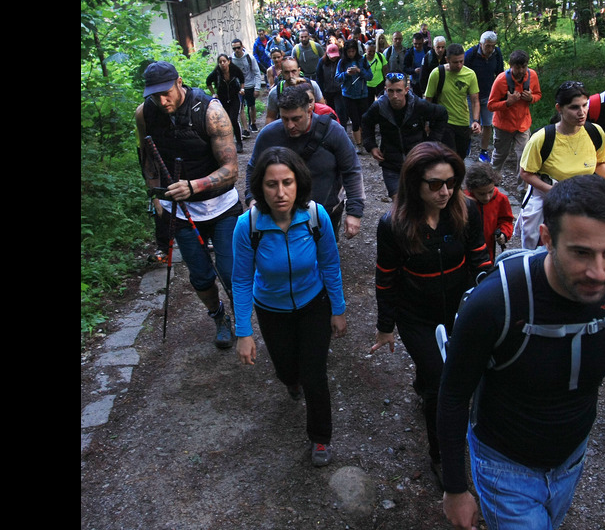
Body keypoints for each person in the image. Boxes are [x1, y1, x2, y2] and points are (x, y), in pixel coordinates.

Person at [438, 174, 605, 530]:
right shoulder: (497, 301)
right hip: (502, 463)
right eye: (581, 253)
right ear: (548, 239)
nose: (599, 272)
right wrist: (455, 489)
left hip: (571, 458)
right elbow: (454, 393)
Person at [371, 142, 493, 488]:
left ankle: (426, 382)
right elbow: (386, 276)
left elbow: (480, 257)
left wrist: (489, 296)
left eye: (451, 182)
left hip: (461, 311)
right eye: (435, 184)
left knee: (465, 375)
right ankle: (442, 456)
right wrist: (385, 327)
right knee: (440, 387)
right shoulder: (392, 224)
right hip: (417, 318)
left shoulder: (467, 209)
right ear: (414, 183)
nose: (445, 191)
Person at [232, 146, 347, 467]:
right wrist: (244, 332)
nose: (280, 192)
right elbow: (240, 279)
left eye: (287, 182)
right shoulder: (248, 225)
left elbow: (330, 263)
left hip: (314, 304)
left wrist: (337, 309)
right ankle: (290, 380)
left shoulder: (315, 216)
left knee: (315, 374)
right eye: (272, 184)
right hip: (272, 309)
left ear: (299, 183)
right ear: (260, 187)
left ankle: (321, 437)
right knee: (286, 370)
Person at [135, 61, 241, 349]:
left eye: (166, 93)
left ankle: (244, 320)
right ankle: (219, 317)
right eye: (154, 95)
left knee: (232, 272)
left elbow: (231, 169)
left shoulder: (210, 111)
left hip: (221, 207)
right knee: (200, 275)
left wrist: (193, 186)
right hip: (178, 211)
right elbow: (147, 159)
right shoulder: (145, 113)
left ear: (179, 82)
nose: (161, 100)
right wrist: (154, 194)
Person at [514, 81, 605, 250]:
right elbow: (526, 173)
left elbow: (600, 163)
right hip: (546, 196)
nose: (582, 112)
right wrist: (554, 192)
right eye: (574, 107)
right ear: (559, 108)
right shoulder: (542, 138)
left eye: (585, 105)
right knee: (535, 240)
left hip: (582, 197)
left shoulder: (595, 132)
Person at [247, 86, 365, 240]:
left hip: (326, 210)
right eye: (285, 119)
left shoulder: (333, 131)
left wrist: (354, 212)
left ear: (309, 111)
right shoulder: (269, 135)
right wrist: (252, 198)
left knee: (324, 256)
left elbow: (352, 170)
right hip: (280, 213)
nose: (290, 125)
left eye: (296, 119)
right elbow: (253, 169)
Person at [361, 72, 448, 199]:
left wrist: (432, 143)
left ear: (406, 90)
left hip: (417, 162)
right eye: (390, 91)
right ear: (385, 90)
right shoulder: (379, 107)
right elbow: (366, 122)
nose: (395, 96)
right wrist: (371, 146)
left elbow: (442, 114)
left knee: (419, 200)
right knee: (399, 203)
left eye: (399, 91)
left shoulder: (418, 105)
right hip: (391, 163)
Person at [486, 49, 540, 189]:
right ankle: (492, 183)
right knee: (500, 155)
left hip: (523, 125)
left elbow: (538, 94)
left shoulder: (532, 76)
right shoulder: (501, 80)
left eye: (524, 66)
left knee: (524, 156)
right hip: (503, 126)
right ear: (510, 66)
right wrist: (507, 103)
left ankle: (523, 189)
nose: (521, 70)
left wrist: (531, 98)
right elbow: (491, 105)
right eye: (517, 67)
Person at [424, 43, 480, 159]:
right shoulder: (437, 73)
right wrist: (426, 123)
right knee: (449, 157)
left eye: (461, 61)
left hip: (463, 122)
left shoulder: (470, 74)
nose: (459, 65)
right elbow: (427, 100)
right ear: (447, 60)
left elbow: (475, 101)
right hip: (444, 122)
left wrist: (475, 121)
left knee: (460, 157)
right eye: (455, 62)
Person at [464, 31, 504, 163]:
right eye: (488, 46)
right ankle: (466, 145)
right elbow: (462, 73)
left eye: (493, 46)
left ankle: (484, 150)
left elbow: (500, 74)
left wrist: (501, 93)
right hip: (471, 95)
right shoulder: (471, 54)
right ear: (481, 44)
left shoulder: (497, 54)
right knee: (470, 124)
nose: (490, 49)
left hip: (489, 94)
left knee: (488, 124)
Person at [464, 163, 513, 264]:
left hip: (488, 251)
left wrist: (503, 233)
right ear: (471, 189)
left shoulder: (500, 199)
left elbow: (506, 220)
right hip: (465, 251)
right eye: (481, 194)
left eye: (490, 191)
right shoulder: (464, 200)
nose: (487, 197)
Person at [335, 41, 372, 150]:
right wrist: (346, 74)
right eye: (349, 51)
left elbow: (370, 76)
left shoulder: (362, 60)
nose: (351, 54)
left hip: (362, 94)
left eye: (353, 51)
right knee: (354, 120)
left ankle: (365, 140)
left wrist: (360, 71)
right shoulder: (341, 62)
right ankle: (358, 144)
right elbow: (337, 78)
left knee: (363, 119)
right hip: (348, 95)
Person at [265, 56, 324, 126]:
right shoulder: (275, 92)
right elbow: (270, 117)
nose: (290, 76)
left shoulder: (312, 86)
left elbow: (322, 108)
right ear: (281, 73)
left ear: (299, 70)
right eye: (286, 72)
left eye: (293, 71)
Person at [206, 54, 246, 153]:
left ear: (228, 61)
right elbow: (208, 82)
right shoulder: (216, 73)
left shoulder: (234, 69)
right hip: (223, 99)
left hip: (234, 97)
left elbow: (241, 78)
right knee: (225, 120)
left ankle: (239, 142)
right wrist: (214, 94)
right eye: (220, 62)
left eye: (224, 61)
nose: (222, 63)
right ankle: (228, 142)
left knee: (233, 119)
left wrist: (242, 88)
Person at [230, 38, 263, 137]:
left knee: (251, 106)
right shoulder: (231, 59)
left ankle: (253, 123)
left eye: (238, 48)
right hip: (238, 87)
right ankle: (245, 129)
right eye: (234, 48)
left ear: (242, 47)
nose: (236, 50)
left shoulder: (249, 58)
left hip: (250, 85)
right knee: (241, 108)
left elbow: (257, 73)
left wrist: (257, 88)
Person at [316, 44, 345, 125]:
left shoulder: (341, 61)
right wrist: (322, 95)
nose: (333, 58)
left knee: (340, 112)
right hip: (327, 91)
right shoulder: (322, 62)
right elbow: (319, 78)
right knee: (329, 112)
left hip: (339, 91)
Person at [364, 40, 387, 104]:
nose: (372, 53)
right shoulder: (362, 59)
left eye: (373, 51)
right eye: (369, 51)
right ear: (365, 50)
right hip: (367, 86)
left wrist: (387, 82)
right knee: (369, 105)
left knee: (382, 103)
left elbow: (385, 69)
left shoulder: (380, 56)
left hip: (380, 84)